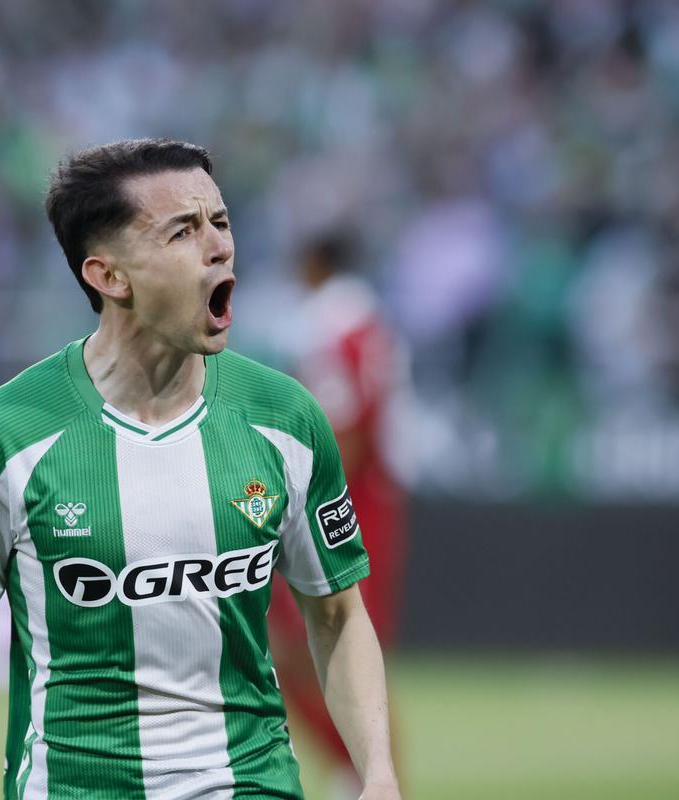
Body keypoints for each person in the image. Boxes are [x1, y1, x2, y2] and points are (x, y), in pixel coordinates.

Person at [0, 138, 401, 799]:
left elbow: (336, 615)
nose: (219, 246)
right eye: (183, 231)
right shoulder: (6, 435)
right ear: (109, 276)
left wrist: (380, 775)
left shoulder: (287, 419)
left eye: (220, 223)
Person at [269, 234, 410, 796]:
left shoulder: (329, 325)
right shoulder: (369, 320)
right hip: (373, 494)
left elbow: (344, 426)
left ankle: (373, 775)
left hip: (348, 498)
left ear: (313, 262)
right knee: (301, 646)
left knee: (321, 640)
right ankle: (359, 771)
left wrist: (308, 496)